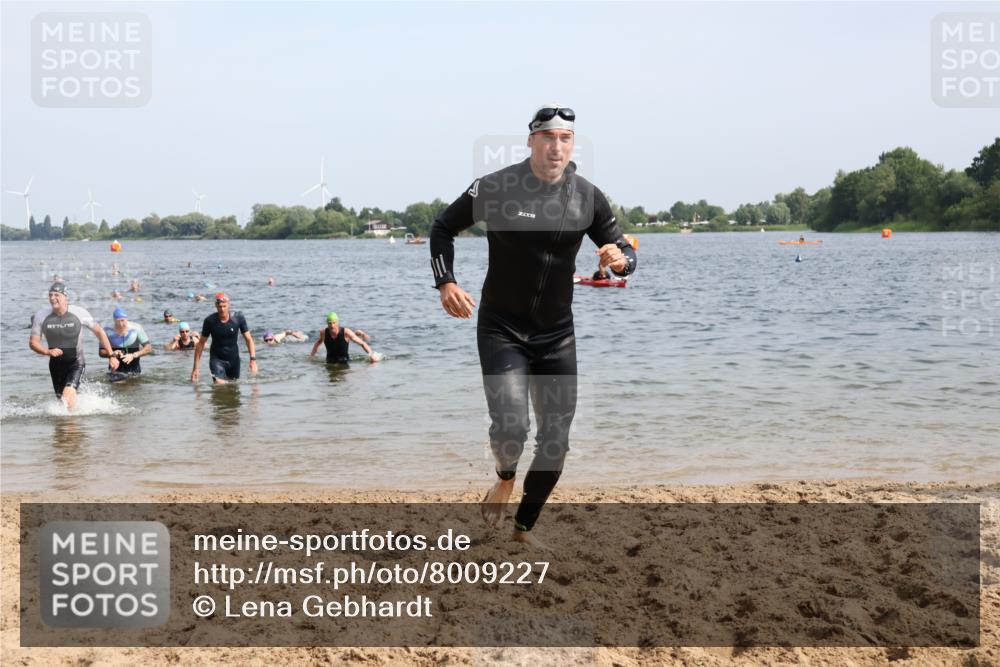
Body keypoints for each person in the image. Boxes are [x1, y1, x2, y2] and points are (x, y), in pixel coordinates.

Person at [430, 104, 637, 546]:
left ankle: (524, 528)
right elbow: (442, 228)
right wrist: (445, 282)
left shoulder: (587, 197)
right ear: (531, 141)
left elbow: (624, 252)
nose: (556, 146)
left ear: (572, 145)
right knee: (511, 427)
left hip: (556, 334)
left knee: (555, 443)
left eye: (564, 139)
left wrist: (621, 261)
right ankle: (505, 476)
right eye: (547, 137)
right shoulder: (497, 187)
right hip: (502, 328)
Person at [29, 282, 119, 409]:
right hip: (55, 365)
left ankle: (72, 425)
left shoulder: (79, 312)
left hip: (76, 362)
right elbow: (33, 343)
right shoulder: (41, 316)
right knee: (62, 403)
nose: (52, 298)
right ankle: (70, 427)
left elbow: (99, 332)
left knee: (68, 395)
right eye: (50, 295)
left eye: (56, 295)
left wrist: (111, 355)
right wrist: (46, 351)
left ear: (66, 297)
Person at [191, 292, 257, 384]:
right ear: (216, 306)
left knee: (233, 389)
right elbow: (201, 344)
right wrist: (196, 368)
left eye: (224, 306)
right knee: (219, 384)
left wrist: (253, 360)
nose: (222, 309)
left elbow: (249, 340)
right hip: (217, 360)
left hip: (234, 360)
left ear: (228, 305)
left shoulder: (238, 318)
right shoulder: (210, 321)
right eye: (220, 306)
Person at [100, 307, 153, 377]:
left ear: (126, 319)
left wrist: (133, 355)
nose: (121, 324)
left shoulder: (136, 329)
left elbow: (148, 348)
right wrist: (112, 354)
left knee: (132, 385)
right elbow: (101, 352)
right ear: (114, 320)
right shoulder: (107, 331)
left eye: (123, 320)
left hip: (134, 370)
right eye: (118, 321)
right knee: (117, 384)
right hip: (115, 369)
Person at [309, 312, 378, 363]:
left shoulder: (346, 332)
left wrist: (371, 355)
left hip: (345, 361)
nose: (332, 325)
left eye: (334, 323)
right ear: (327, 323)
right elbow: (318, 342)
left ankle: (360, 333)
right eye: (330, 323)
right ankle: (358, 333)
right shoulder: (323, 332)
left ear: (337, 323)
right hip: (330, 361)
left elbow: (362, 343)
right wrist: (312, 355)